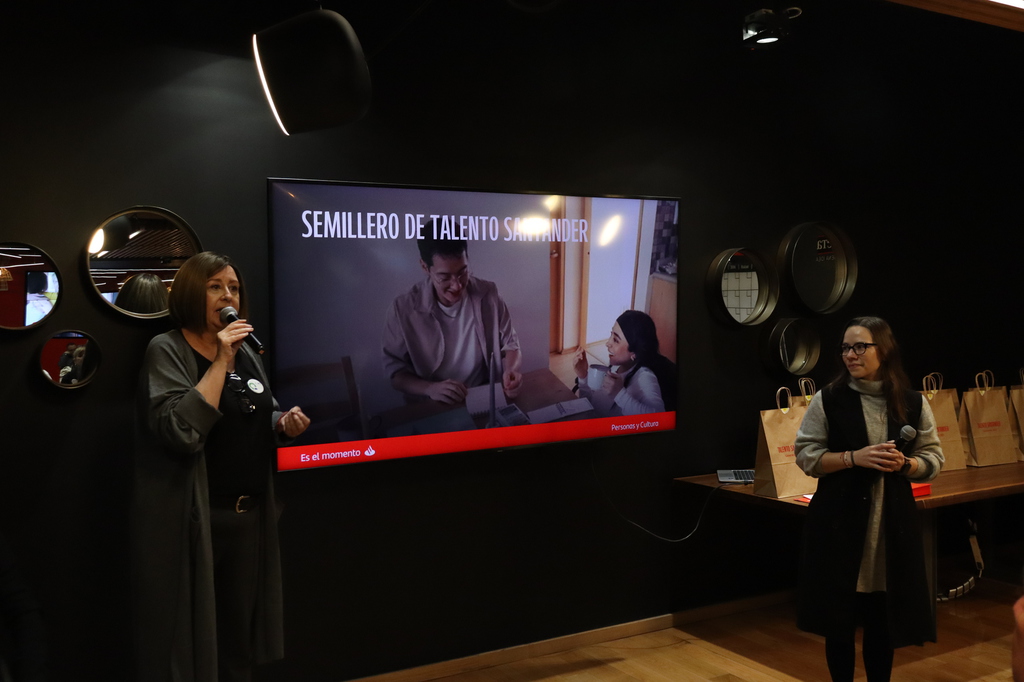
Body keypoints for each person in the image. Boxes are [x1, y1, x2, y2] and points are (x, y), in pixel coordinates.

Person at [131, 251, 309, 682]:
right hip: (196, 521)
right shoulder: (168, 349)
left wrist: (282, 423)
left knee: (238, 639)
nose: (228, 296)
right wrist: (221, 359)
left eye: (233, 287)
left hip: (249, 518)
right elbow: (181, 430)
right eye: (215, 287)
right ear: (192, 293)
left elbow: (255, 412)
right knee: (194, 640)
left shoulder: (245, 351)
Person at [795, 316, 943, 682]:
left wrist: (906, 464)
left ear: (884, 350)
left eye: (860, 346)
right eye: (846, 347)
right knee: (838, 622)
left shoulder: (912, 402)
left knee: (882, 620)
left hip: (890, 528)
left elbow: (933, 459)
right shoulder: (828, 399)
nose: (850, 354)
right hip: (839, 526)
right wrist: (852, 458)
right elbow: (806, 456)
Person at [382, 227, 522, 404]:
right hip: (430, 403)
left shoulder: (488, 294)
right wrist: (429, 388)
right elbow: (395, 373)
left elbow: (511, 344)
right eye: (445, 277)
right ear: (425, 267)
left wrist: (511, 370)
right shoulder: (403, 309)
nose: (457, 286)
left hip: (482, 395)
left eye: (462, 272)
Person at [572, 310, 676, 416]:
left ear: (634, 352)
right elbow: (591, 407)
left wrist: (620, 394)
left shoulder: (645, 378)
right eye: (611, 335)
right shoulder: (614, 367)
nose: (607, 343)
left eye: (616, 340)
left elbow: (658, 417)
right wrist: (583, 377)